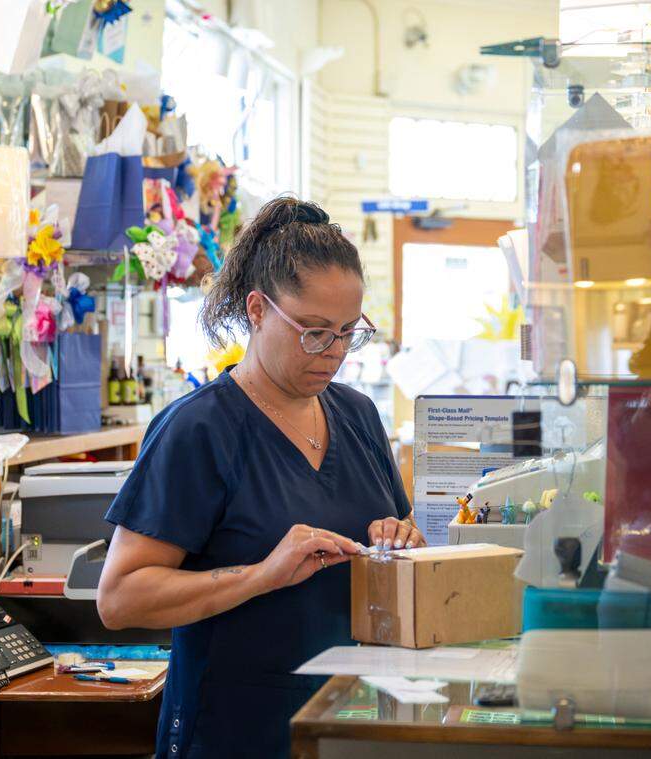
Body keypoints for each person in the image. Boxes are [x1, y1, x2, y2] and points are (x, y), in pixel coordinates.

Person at [96, 197, 426, 759]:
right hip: (234, 730)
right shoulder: (199, 430)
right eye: (314, 331)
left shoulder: (358, 415)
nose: (334, 353)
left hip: (349, 721)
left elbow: (401, 533)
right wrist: (260, 575)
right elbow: (120, 598)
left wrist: (403, 543)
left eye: (349, 332)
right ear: (256, 310)